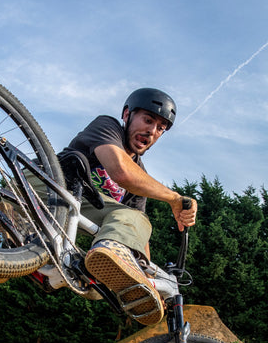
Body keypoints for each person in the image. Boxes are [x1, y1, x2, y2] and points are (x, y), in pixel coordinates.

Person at [59, 88, 198, 326]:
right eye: (148, 120)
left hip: (75, 209)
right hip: (50, 186)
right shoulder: (107, 127)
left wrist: (145, 280)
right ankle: (110, 248)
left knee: (96, 284)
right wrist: (174, 198)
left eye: (160, 128)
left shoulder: (140, 174)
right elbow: (121, 172)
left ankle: (15, 243)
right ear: (127, 114)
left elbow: (136, 232)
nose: (152, 131)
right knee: (127, 222)